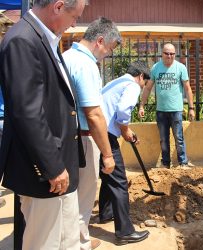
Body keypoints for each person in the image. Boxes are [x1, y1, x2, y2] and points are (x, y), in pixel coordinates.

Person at [0, 0, 86, 249]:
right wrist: (52, 166)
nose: (74, 24)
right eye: (75, 16)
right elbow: (27, 113)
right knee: (45, 243)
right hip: (44, 173)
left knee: (66, 241)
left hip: (60, 167)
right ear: (58, 7)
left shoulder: (44, 37)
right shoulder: (22, 40)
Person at [63, 17, 120, 250]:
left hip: (66, 135)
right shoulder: (86, 65)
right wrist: (107, 154)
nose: (108, 54)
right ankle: (79, 243)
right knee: (83, 196)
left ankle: (75, 240)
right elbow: (94, 114)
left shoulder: (65, 56)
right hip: (84, 138)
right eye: (109, 48)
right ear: (99, 40)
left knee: (68, 197)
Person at [100, 61, 151, 245]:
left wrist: (126, 131)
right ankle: (125, 232)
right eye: (145, 82)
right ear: (140, 77)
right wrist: (125, 129)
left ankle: (106, 213)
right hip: (106, 135)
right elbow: (122, 110)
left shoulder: (115, 83)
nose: (144, 86)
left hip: (97, 132)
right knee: (120, 181)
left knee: (108, 174)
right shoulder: (132, 85)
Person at [139, 43, 195, 168]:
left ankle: (183, 162)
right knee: (164, 140)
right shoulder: (155, 68)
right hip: (161, 110)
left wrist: (191, 108)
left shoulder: (181, 68)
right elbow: (148, 88)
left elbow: (187, 88)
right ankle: (166, 163)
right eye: (167, 53)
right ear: (162, 54)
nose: (169, 56)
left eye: (172, 54)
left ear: (175, 54)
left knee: (179, 138)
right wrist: (142, 105)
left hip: (176, 110)